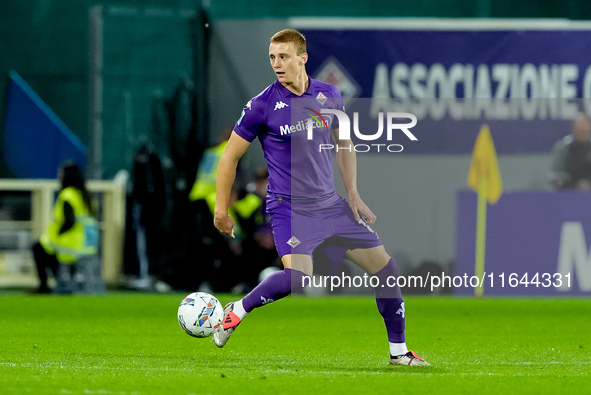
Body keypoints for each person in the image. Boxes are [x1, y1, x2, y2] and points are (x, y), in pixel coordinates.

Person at [212, 29, 429, 366]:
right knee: (299, 277)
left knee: (387, 270)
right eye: (272, 57)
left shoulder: (329, 95)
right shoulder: (261, 105)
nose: (276, 64)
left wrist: (353, 193)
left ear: (303, 57)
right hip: (291, 209)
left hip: (331, 205)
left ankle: (399, 353)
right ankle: (237, 310)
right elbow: (229, 158)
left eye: (283, 57)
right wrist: (221, 209)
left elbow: (345, 144)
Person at [32, 161, 99, 293]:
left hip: (70, 243)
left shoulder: (67, 195)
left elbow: (69, 221)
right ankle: (64, 282)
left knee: (39, 248)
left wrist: (58, 234)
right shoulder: (86, 195)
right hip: (88, 244)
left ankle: (47, 285)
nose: (58, 175)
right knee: (47, 250)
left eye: (60, 173)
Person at [550, 114, 591, 190]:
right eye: (580, 130)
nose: (582, 132)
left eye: (584, 130)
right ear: (573, 129)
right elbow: (555, 174)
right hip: (568, 192)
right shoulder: (563, 148)